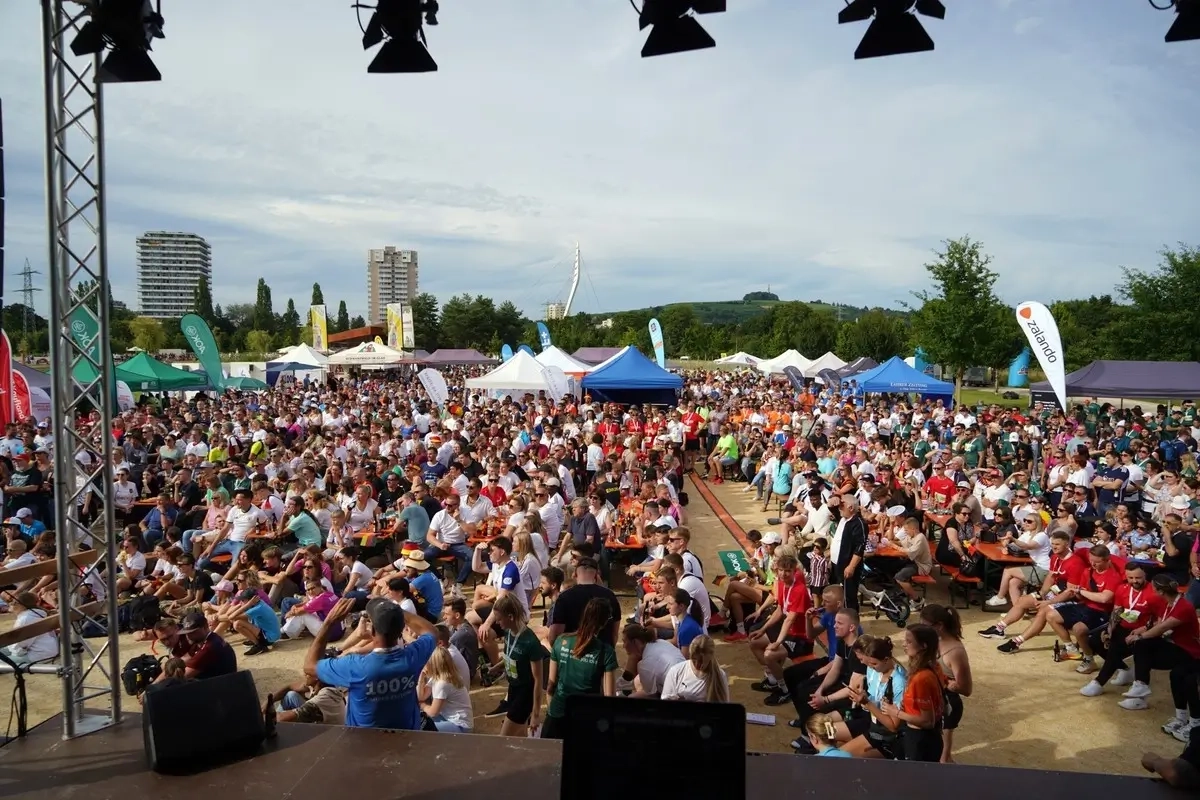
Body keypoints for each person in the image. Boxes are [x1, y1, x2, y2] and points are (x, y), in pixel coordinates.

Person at [307, 596, 439, 730]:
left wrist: (329, 622)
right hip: (407, 741)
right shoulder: (413, 657)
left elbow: (310, 666)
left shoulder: (355, 666)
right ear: (401, 629)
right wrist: (395, 612)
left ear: (373, 631)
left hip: (364, 745)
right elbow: (432, 632)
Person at [543, 598, 618, 740]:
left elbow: (551, 685)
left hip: (557, 713)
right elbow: (610, 697)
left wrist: (551, 710)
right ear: (604, 622)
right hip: (587, 718)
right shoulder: (605, 651)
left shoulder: (561, 641)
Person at [920, 604, 973, 763]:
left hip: (947, 704)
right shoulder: (933, 640)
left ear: (939, 626)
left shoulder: (956, 651)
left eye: (925, 626)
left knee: (943, 759)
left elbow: (966, 688)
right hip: (931, 702)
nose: (922, 630)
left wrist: (941, 679)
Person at [491, 592, 547, 737]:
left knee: (503, 737)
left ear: (510, 617)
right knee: (519, 736)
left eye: (499, 619)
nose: (497, 623)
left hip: (525, 693)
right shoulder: (509, 632)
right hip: (513, 689)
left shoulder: (530, 642)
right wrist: (496, 667)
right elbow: (510, 656)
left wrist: (535, 714)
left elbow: (538, 680)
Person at [660, 634, 729, 703]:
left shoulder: (720, 676)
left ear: (710, 657)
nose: (697, 664)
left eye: (701, 661)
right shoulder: (676, 671)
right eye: (694, 660)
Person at [177, 611, 238, 680]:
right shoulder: (206, 639)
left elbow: (182, 676)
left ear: (205, 627)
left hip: (221, 686)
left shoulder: (209, 647)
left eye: (193, 632)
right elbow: (184, 659)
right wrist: (171, 665)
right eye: (186, 633)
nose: (188, 636)